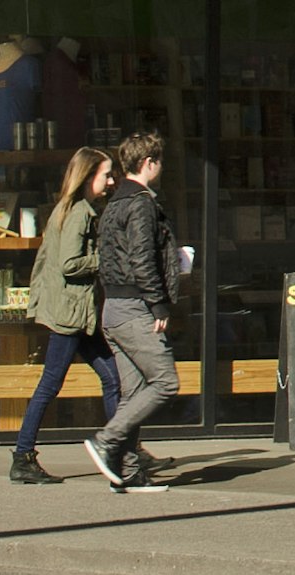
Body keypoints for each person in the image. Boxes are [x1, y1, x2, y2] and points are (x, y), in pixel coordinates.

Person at [9, 147, 122, 486]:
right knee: (50, 384)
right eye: (106, 174)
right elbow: (71, 264)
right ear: (89, 177)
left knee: (113, 376)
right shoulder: (78, 214)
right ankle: (22, 456)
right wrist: (106, 258)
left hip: (75, 312)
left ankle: (121, 447)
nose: (111, 180)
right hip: (69, 314)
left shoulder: (72, 209)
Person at [86, 129, 182, 493]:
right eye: (158, 161)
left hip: (113, 306)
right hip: (134, 307)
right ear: (148, 163)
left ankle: (127, 471)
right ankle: (106, 440)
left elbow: (116, 257)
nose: (160, 167)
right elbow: (142, 257)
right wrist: (158, 301)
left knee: (133, 391)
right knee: (165, 382)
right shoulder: (141, 203)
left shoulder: (114, 203)